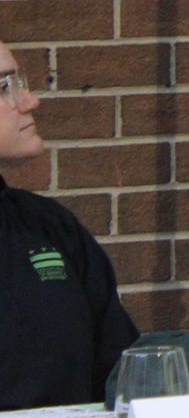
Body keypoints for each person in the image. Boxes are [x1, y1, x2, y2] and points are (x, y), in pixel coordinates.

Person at [0, 36, 140, 406]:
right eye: (3, 88)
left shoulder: (49, 227)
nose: (29, 101)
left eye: (20, 84)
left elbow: (120, 371)